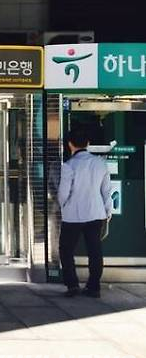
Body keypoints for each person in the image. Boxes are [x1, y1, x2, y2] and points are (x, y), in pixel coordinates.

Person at [58, 127, 112, 298]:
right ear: (88, 143)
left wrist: (63, 206)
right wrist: (108, 211)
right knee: (94, 251)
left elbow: (63, 193)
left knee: (66, 250)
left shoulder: (68, 166)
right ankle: (94, 287)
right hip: (96, 213)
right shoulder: (100, 163)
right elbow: (107, 191)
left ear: (70, 144)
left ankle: (72, 285)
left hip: (72, 215)